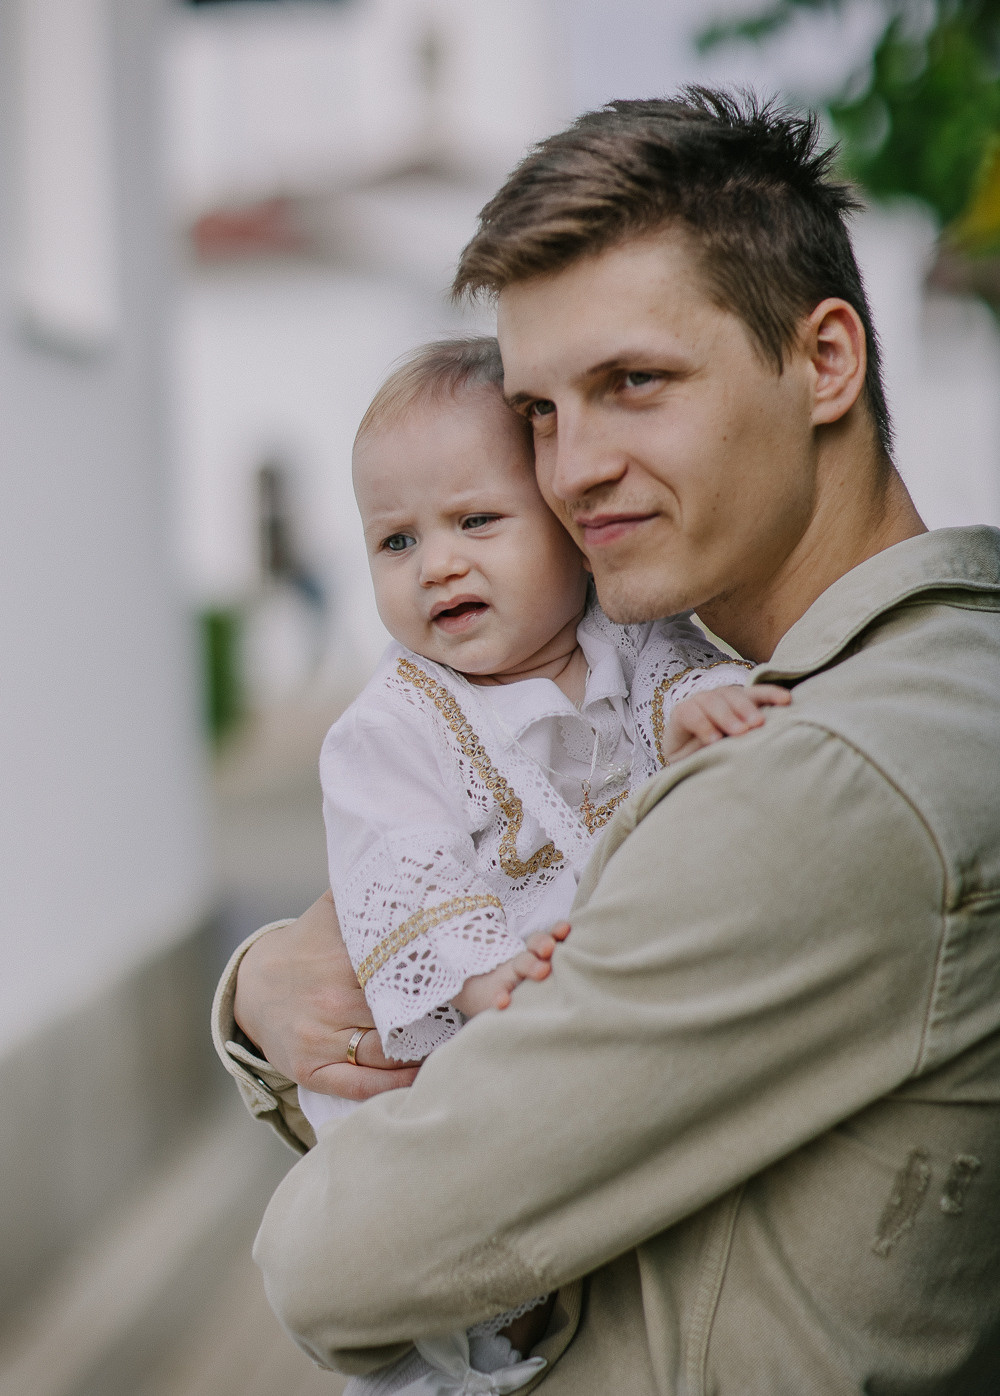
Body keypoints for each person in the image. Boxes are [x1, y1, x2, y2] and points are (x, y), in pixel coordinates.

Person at [214, 89, 1000, 1394]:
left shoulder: (827, 773)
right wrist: (262, 989)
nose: (572, 469)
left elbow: (332, 1259)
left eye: (634, 383)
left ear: (826, 363)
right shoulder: (809, 684)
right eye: (539, 413)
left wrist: (280, 996)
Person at [302, 335, 783, 1393]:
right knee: (450, 1255)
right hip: (471, 1035)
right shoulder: (394, 724)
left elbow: (679, 686)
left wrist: (702, 709)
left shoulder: (631, 636)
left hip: (609, 1024)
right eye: (395, 540)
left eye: (477, 521)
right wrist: (482, 976)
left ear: (569, 530)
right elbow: (406, 862)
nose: (437, 563)